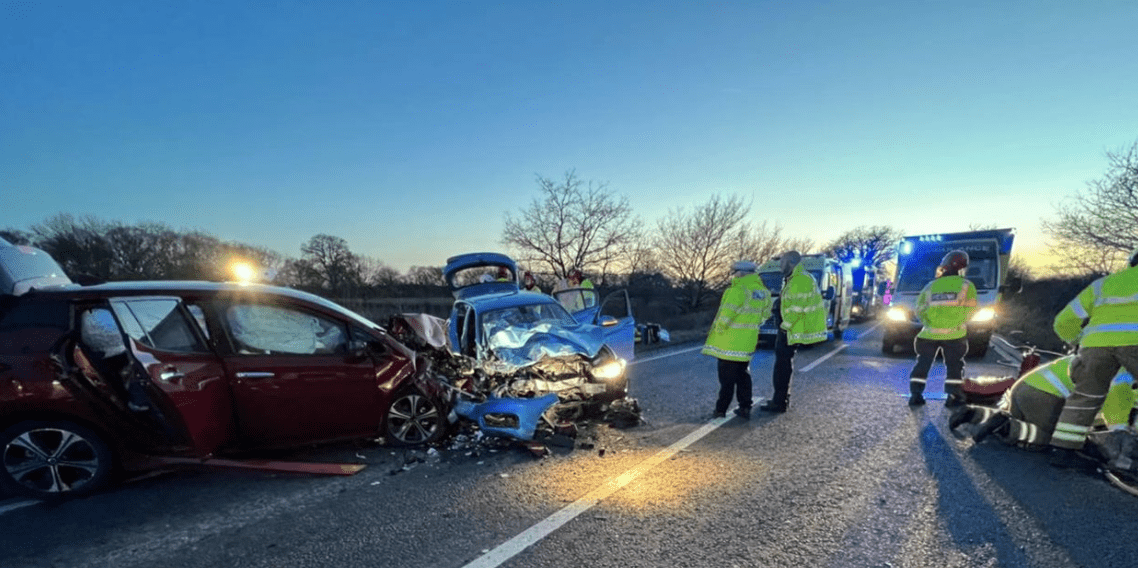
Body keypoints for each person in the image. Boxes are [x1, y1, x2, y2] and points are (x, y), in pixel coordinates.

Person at [1047, 246, 1138, 468]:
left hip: (1095, 346)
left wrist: (1078, 340)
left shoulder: (1103, 284)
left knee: (1085, 397)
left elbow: (1063, 321)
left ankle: (1062, 450)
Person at [951, 355, 1136, 447]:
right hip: (1044, 395)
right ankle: (1006, 427)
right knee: (1056, 439)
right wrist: (1121, 432)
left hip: (1026, 386)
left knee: (1021, 418)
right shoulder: (1124, 375)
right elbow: (1117, 410)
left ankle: (974, 413)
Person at [701, 260, 773, 419]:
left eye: (734, 272)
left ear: (741, 273)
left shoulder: (737, 290)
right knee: (743, 376)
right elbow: (766, 315)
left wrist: (718, 329)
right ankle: (745, 407)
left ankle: (720, 410)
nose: (733, 275)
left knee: (726, 380)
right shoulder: (763, 292)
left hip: (729, 343)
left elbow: (726, 314)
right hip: (747, 342)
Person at [907, 250, 979, 407]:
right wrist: (955, 322)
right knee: (954, 366)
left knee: (922, 364)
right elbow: (971, 310)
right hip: (954, 334)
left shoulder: (930, 285)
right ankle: (953, 397)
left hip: (928, 334)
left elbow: (919, 309)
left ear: (944, 267)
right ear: (962, 268)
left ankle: (915, 395)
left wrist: (930, 323)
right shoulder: (967, 286)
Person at [761, 250, 826, 413]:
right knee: (783, 365)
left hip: (790, 330)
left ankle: (780, 401)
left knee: (782, 367)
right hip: (790, 329)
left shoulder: (800, 280)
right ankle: (781, 399)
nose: (779, 265)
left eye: (782, 261)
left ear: (790, 262)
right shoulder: (794, 278)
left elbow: (797, 307)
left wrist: (785, 326)